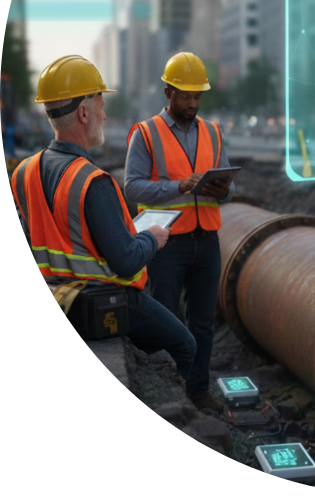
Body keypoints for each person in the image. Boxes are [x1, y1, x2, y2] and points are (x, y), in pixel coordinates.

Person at [11, 55, 197, 378]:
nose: (105, 115)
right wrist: (152, 237)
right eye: (100, 106)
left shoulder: (23, 172)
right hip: (103, 297)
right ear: (83, 113)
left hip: (57, 292)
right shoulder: (93, 182)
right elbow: (126, 262)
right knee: (186, 344)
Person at [125, 52, 235, 412]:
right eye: (185, 96)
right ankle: (171, 396)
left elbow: (226, 185)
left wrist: (225, 191)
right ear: (168, 92)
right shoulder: (145, 134)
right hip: (166, 243)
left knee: (203, 323)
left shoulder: (214, 132)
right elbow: (133, 188)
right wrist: (179, 187)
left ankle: (198, 391)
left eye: (198, 96)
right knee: (168, 319)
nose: (192, 103)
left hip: (207, 242)